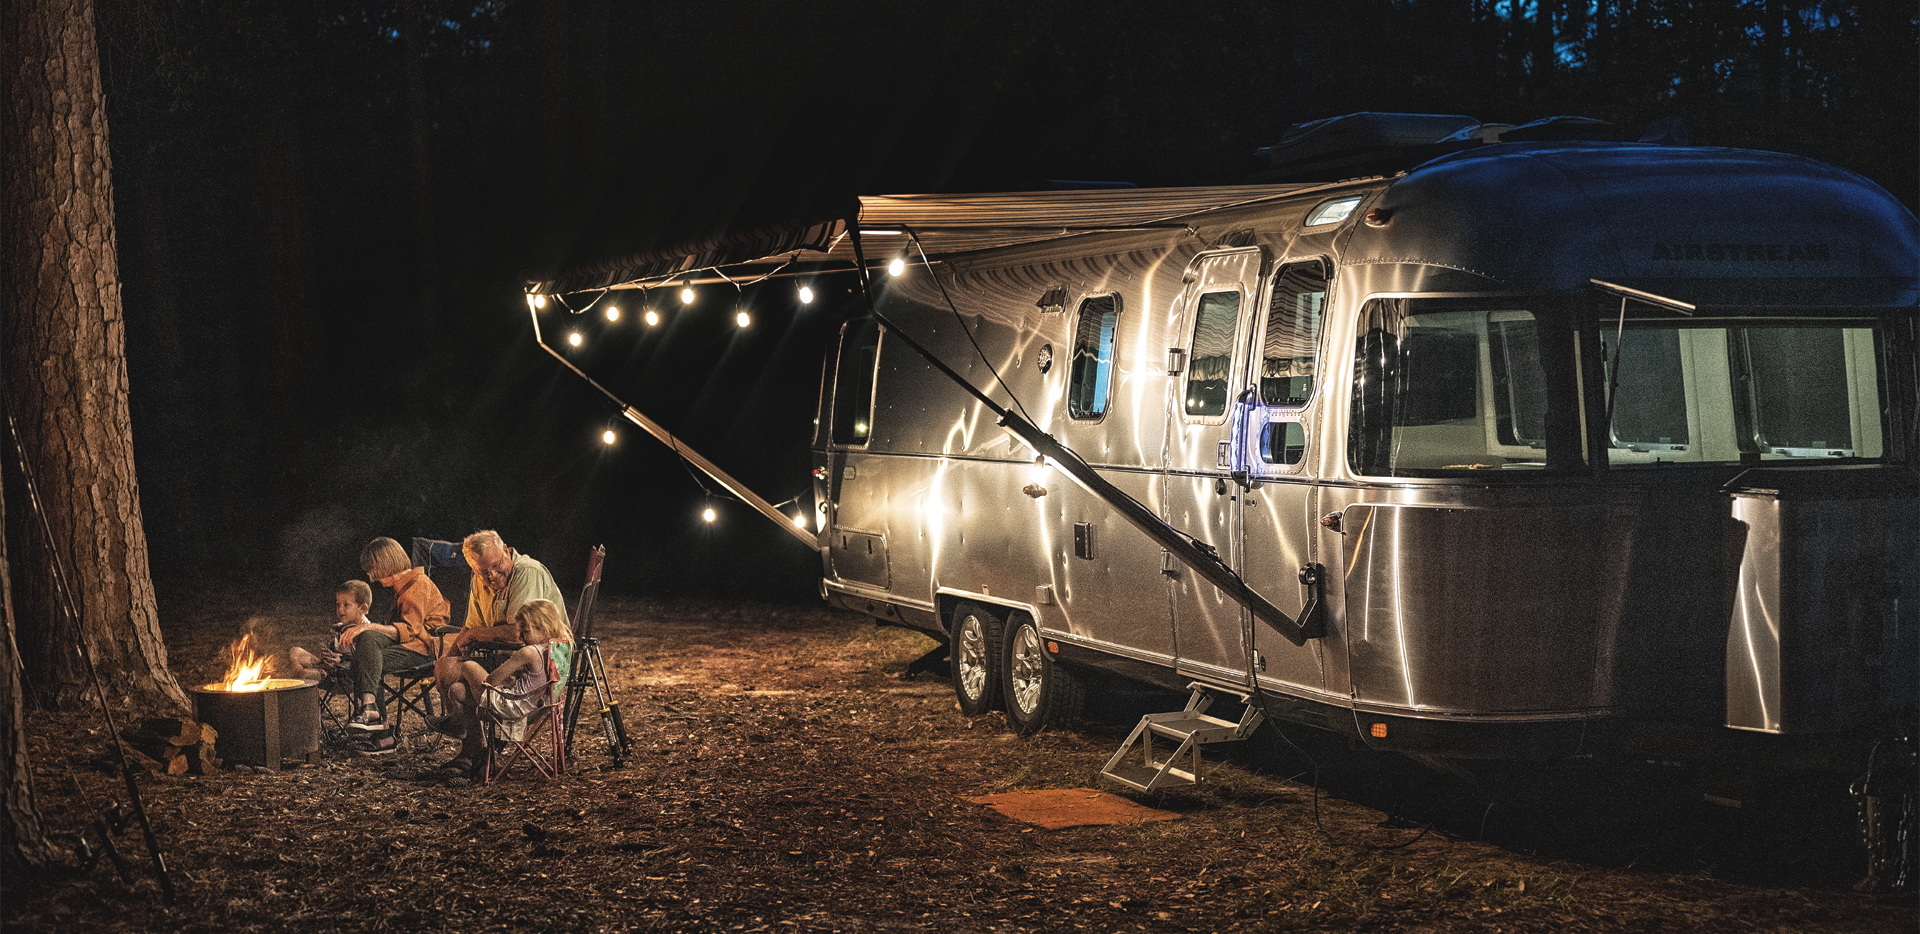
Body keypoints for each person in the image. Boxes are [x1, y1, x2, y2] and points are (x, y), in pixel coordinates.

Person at [430, 530, 571, 716]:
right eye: (483, 571)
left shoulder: (527, 571)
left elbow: (518, 633)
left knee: (455, 671)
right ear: (474, 569)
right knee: (447, 670)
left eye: (497, 565)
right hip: (502, 657)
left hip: (537, 665)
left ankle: (471, 730)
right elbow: (471, 626)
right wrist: (452, 655)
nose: (493, 576)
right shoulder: (479, 581)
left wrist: (475, 635)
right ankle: (472, 740)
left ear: (506, 550)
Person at [431, 599, 573, 779]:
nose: (520, 637)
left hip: (512, 709)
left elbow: (491, 680)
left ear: (542, 628)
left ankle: (456, 723)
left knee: (469, 666)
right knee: (457, 690)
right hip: (540, 707)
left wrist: (501, 676)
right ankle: (474, 748)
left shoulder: (529, 652)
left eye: (525, 631)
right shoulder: (559, 648)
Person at [348, 536, 451, 754]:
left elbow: (410, 629)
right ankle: (372, 710)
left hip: (425, 648)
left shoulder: (418, 585)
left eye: (372, 569)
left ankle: (381, 730)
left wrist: (370, 627)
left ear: (384, 563)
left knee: (367, 656)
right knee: (368, 644)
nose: (371, 576)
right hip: (410, 644)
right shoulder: (402, 587)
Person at [288, 580, 374, 682]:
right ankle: (299, 685)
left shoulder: (368, 632)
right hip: (331, 670)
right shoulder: (337, 627)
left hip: (348, 677)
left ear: (363, 608)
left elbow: (367, 664)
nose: (340, 610)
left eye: (346, 605)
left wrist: (340, 662)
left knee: (303, 675)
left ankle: (301, 688)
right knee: (295, 651)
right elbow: (332, 653)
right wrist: (326, 657)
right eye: (338, 604)